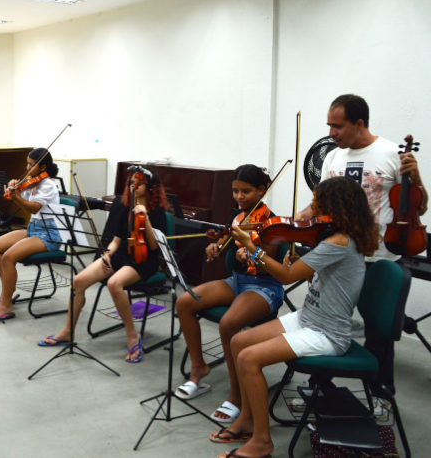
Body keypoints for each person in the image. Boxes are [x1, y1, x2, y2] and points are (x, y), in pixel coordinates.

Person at [211, 176, 377, 458]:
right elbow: (319, 275)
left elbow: (286, 278)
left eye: (318, 205)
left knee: (248, 358)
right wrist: (300, 262)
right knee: (240, 343)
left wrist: (252, 247)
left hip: (326, 333)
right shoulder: (338, 236)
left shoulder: (339, 241)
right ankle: (248, 420)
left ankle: (262, 442)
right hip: (308, 317)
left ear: (335, 207)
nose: (313, 210)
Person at [295, 93, 429, 409]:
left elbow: (418, 205)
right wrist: (296, 219)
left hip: (378, 256)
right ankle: (319, 385)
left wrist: (417, 177)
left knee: (378, 330)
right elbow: (319, 203)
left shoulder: (393, 153)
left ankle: (380, 394)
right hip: (337, 255)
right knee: (322, 323)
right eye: (329, 124)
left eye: (337, 126)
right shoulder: (332, 157)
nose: (331, 133)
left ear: (359, 123)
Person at [174, 165, 284, 424]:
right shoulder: (239, 216)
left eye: (246, 191)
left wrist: (251, 253)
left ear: (261, 190)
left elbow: (264, 262)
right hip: (235, 281)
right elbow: (225, 243)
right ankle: (198, 366)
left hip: (263, 286)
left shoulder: (271, 223)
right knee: (185, 301)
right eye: (235, 191)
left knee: (228, 324)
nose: (239, 196)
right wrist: (215, 247)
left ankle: (236, 395)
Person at [38, 166, 168, 363]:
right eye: (131, 182)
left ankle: (132, 334)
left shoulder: (158, 212)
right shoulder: (126, 208)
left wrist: (146, 219)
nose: (134, 186)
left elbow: (153, 246)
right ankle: (67, 332)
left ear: (150, 187)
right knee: (78, 281)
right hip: (122, 254)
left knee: (114, 284)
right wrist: (107, 254)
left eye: (139, 183)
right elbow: (116, 240)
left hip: (143, 259)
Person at [0, 148, 63, 321]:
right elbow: (24, 198)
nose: (27, 168)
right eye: (26, 163)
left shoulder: (48, 185)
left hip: (49, 234)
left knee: (8, 257)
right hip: (33, 229)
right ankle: (8, 290)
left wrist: (15, 197)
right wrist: (15, 187)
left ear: (43, 167)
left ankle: (6, 304)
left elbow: (33, 207)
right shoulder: (32, 183)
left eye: (31, 165)